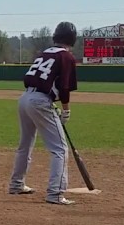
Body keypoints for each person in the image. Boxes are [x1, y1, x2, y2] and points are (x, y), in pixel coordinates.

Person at [8, 21, 79, 206]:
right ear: (73, 39)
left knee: (25, 144)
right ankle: (55, 193)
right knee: (60, 149)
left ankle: (17, 184)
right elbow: (64, 87)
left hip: (25, 98)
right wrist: (66, 110)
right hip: (40, 101)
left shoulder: (44, 53)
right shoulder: (66, 57)